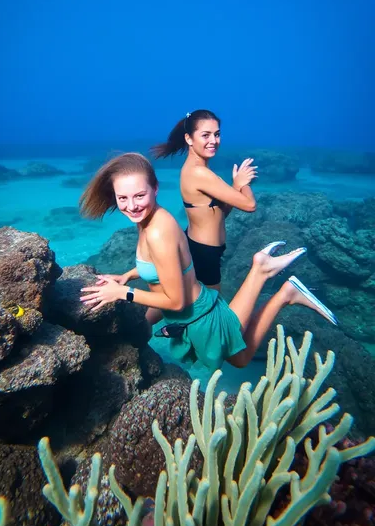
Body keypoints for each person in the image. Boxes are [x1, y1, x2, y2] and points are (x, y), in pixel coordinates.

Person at [79, 153, 338, 371]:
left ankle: (276, 284)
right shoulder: (149, 219)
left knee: (241, 359)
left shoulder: (158, 230)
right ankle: (267, 274)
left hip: (200, 316)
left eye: (139, 196)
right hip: (196, 310)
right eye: (122, 198)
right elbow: (166, 264)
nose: (132, 206)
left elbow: (176, 301)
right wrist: (128, 275)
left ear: (155, 188)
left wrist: (122, 292)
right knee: (238, 357)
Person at [151, 109, 257, 291]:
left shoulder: (198, 170)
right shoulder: (199, 173)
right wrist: (243, 183)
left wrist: (236, 185)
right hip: (204, 253)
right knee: (211, 312)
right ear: (189, 139)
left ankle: (142, 320)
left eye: (217, 134)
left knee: (182, 300)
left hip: (201, 247)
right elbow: (250, 205)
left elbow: (221, 213)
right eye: (205, 135)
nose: (213, 141)